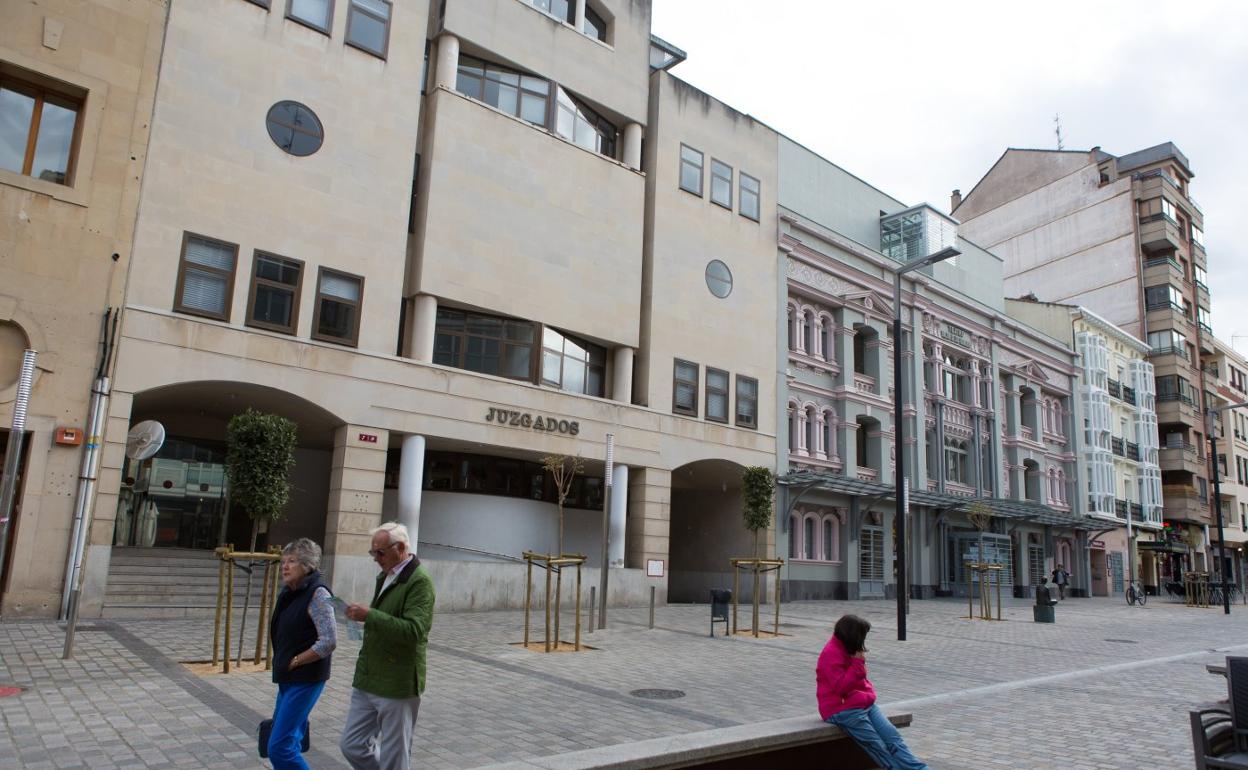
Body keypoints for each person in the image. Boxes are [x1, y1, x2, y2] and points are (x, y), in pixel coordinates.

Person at [341, 522, 435, 770]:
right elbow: (385, 620)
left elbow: (415, 631)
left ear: (401, 548)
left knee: (394, 756)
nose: (375, 558)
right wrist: (365, 617)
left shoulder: (419, 581)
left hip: (397, 681)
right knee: (352, 745)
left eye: (380, 552)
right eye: (373, 553)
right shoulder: (387, 573)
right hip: (369, 676)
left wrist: (370, 616)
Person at [816, 615, 928, 770]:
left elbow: (861, 681)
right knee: (877, 746)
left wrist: (867, 690)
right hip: (842, 710)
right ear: (852, 635)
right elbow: (841, 687)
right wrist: (857, 663)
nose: (863, 640)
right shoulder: (830, 654)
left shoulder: (850, 648)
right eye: (862, 635)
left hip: (863, 703)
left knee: (893, 738)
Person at [268, 538, 336, 769]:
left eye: (292, 561)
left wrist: (296, 661)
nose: (285, 566)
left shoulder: (318, 594)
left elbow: (328, 641)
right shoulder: (290, 592)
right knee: (289, 741)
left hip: (305, 679)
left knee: (279, 747)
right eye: (283, 561)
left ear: (307, 565)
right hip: (288, 677)